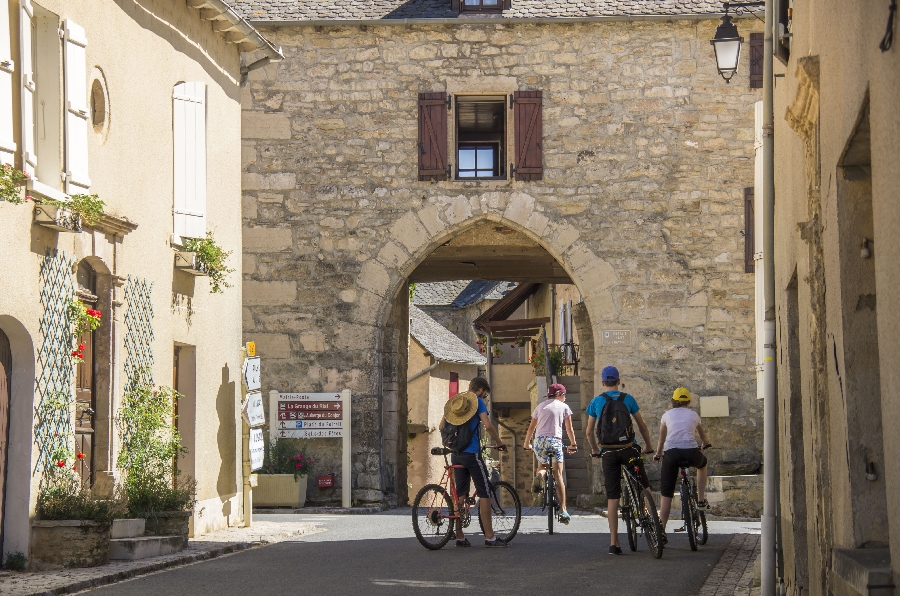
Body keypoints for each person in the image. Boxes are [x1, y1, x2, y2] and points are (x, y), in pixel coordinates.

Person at [585, 366, 656, 555]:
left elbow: (588, 432)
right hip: (629, 449)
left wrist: (594, 449)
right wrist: (648, 446)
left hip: (608, 452)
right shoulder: (628, 399)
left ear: (602, 382)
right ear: (618, 381)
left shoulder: (596, 402)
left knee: (613, 496)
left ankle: (614, 542)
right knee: (644, 486)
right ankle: (657, 526)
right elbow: (642, 427)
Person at [438, 377, 509, 548]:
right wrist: (499, 442)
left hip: (456, 454)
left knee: (460, 495)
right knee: (485, 493)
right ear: (482, 390)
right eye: (485, 394)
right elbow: (488, 425)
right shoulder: (477, 402)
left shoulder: (456, 402)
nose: (484, 397)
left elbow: (441, 426)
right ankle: (490, 537)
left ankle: (460, 537)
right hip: (472, 454)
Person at [652, 387, 712, 544]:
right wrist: (705, 444)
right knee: (702, 464)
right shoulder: (694, 415)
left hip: (671, 454)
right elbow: (703, 437)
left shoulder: (666, 415)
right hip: (691, 452)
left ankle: (662, 530)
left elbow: (661, 440)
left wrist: (658, 454)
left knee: (666, 494)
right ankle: (700, 500)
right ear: (688, 401)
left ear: (673, 400)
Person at [523, 383, 578, 525]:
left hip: (539, 441)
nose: (565, 397)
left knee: (543, 466)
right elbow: (569, 429)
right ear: (559, 394)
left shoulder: (540, 407)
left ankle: (538, 476)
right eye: (564, 394)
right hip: (555, 441)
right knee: (558, 474)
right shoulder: (564, 407)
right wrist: (573, 444)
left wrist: (527, 443)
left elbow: (531, 428)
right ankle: (563, 509)